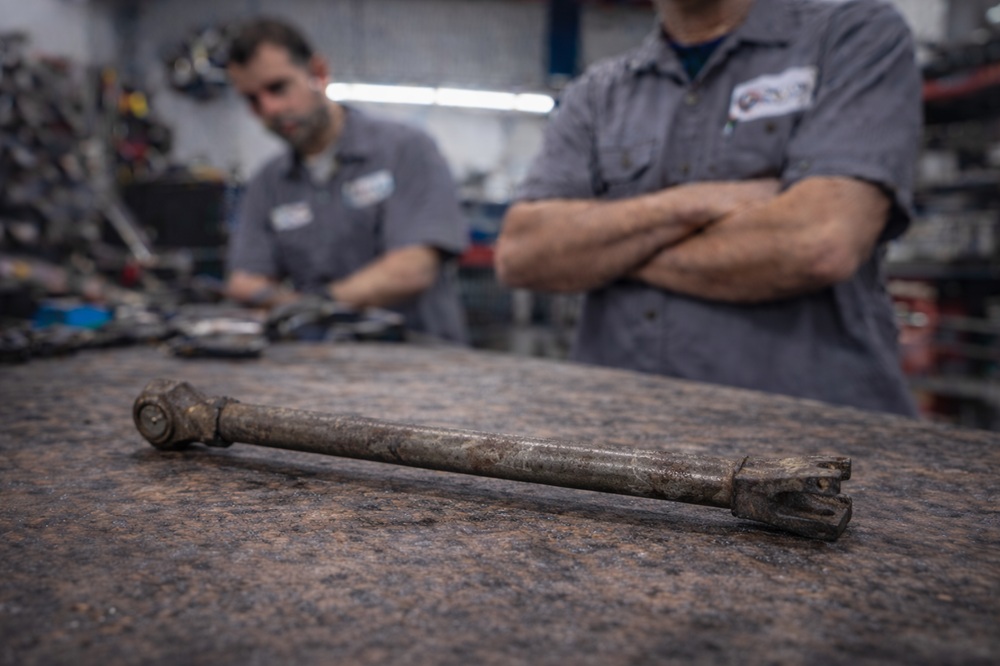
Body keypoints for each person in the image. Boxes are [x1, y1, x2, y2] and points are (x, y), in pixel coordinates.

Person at [495, 0, 921, 416]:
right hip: (622, 429)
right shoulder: (598, 93)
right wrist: (698, 202)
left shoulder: (851, 36)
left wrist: (602, 250)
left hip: (810, 432)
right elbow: (522, 255)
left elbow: (818, 242)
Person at [224, 17, 468, 343]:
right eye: (252, 99)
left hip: (418, 360)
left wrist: (315, 305)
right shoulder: (268, 183)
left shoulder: (405, 150)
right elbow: (244, 280)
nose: (269, 108)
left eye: (278, 88)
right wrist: (291, 305)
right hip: (319, 364)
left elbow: (413, 268)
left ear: (318, 73)